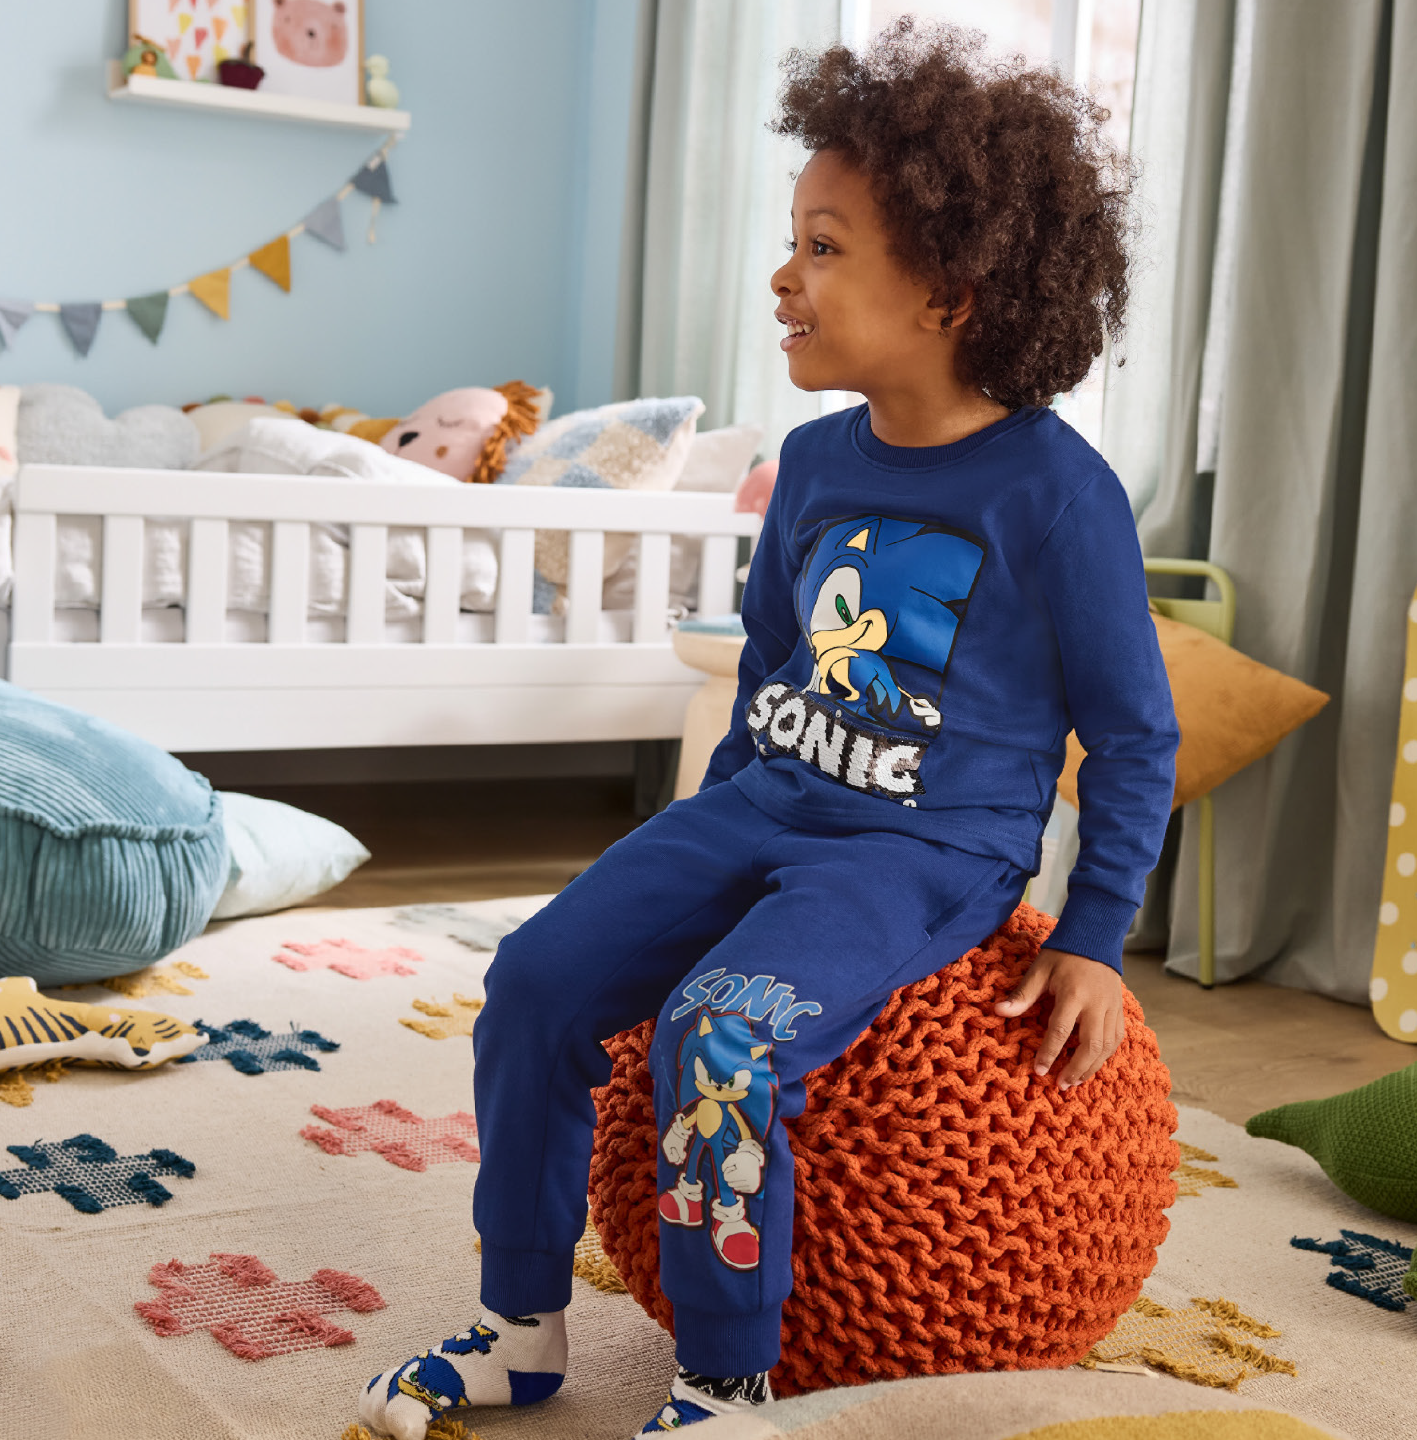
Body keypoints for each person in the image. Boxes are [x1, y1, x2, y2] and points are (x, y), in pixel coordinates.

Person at [356, 20, 1177, 1438]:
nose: (782, 277)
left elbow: (1136, 733)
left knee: (720, 1035)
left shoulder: (1056, 492)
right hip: (769, 802)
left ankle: (724, 1389)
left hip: (931, 847)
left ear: (954, 290)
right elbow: (777, 669)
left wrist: (1095, 933)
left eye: (827, 246)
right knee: (539, 981)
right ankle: (518, 1324)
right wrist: (709, 831)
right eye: (792, 239)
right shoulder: (808, 461)